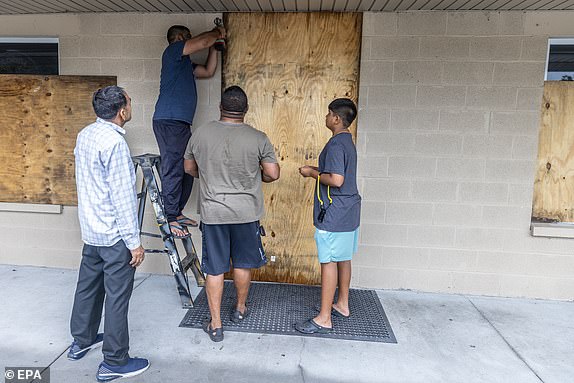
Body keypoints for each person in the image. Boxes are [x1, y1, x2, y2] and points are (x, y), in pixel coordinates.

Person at [183, 86, 280, 342]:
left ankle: (215, 324)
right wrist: (252, 176)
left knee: (215, 268)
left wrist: (210, 176)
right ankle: (239, 308)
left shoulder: (201, 134)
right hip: (246, 213)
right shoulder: (259, 138)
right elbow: (273, 173)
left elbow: (189, 168)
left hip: (214, 213)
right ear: (245, 110)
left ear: (220, 107)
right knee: (243, 263)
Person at [69, 86, 149, 382]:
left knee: (87, 287)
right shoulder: (115, 145)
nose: (131, 105)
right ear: (122, 111)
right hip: (114, 237)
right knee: (117, 298)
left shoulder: (85, 134)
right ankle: (115, 361)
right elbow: (123, 199)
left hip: (91, 231)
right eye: (130, 101)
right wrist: (134, 244)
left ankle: (82, 340)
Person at [153, 23, 226, 239]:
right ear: (178, 38)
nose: (189, 40)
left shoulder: (185, 64)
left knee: (187, 166)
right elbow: (203, 41)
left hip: (180, 123)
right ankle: (170, 216)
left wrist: (215, 46)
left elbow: (208, 70)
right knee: (174, 167)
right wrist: (217, 34)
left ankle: (177, 211)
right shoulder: (173, 51)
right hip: (169, 121)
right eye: (186, 37)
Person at [295, 98, 361, 334]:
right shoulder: (347, 142)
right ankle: (342, 304)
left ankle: (324, 318)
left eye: (328, 113)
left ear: (335, 118)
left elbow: (336, 179)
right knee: (343, 257)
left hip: (335, 212)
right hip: (349, 210)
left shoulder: (335, 144)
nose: (326, 117)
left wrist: (311, 172)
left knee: (329, 261)